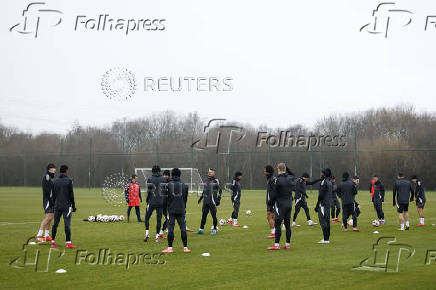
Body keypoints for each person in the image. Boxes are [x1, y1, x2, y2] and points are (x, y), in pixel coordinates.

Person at [162, 168, 190, 253]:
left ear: (172, 175)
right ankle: (185, 248)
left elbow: (165, 199)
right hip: (181, 209)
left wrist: (165, 210)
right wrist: (183, 207)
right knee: (183, 229)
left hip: (171, 210)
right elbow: (185, 198)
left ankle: (170, 248)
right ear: (180, 175)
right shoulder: (185, 185)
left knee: (171, 229)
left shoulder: (168, 185)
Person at [267, 163, 294, 250]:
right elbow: (292, 175)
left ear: (278, 169)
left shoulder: (277, 180)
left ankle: (276, 245)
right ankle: (287, 244)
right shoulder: (290, 178)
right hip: (289, 204)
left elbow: (275, 194)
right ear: (285, 169)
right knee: (287, 225)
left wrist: (270, 203)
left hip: (280, 204)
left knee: (278, 224)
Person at [51, 165, 77, 248]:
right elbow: (71, 195)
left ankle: (53, 242)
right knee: (67, 224)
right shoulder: (69, 181)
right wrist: (73, 206)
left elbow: (53, 196)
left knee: (55, 224)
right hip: (66, 206)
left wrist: (53, 205)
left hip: (57, 205)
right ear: (66, 171)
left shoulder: (54, 181)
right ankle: (68, 243)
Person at [196, 168, 222, 235]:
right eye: (209, 172)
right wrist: (201, 198)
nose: (209, 173)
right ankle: (201, 229)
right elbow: (204, 190)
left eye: (211, 172)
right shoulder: (205, 180)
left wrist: (218, 200)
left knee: (214, 216)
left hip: (212, 202)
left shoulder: (216, 181)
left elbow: (220, 191)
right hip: (205, 201)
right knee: (204, 215)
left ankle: (214, 229)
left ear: (214, 173)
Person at [144, 165, 166, 242]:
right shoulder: (163, 179)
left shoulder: (150, 179)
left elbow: (149, 191)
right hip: (160, 202)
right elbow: (165, 191)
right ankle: (157, 236)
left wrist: (147, 201)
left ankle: (147, 233)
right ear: (159, 170)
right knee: (159, 219)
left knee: (147, 217)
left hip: (152, 201)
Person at [36, 163, 56, 243]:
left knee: (51, 218)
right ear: (50, 169)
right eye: (53, 168)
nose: (55, 169)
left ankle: (47, 235)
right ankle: (39, 235)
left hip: (51, 200)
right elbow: (47, 191)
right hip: (48, 200)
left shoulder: (51, 177)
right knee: (48, 217)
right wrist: (51, 201)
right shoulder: (47, 176)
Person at [315, 168, 333, 244]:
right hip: (328, 204)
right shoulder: (329, 182)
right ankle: (327, 239)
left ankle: (325, 239)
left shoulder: (324, 182)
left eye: (322, 173)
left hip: (323, 204)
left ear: (324, 174)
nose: (321, 174)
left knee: (323, 221)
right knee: (327, 221)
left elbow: (321, 194)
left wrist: (317, 204)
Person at [264, 165, 277, 239]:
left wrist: (271, 201)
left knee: (269, 216)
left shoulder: (271, 180)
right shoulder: (272, 178)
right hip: (272, 201)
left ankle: (273, 233)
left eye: (265, 170)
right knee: (273, 216)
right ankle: (275, 231)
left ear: (268, 172)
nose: (264, 171)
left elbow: (274, 191)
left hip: (271, 202)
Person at [160, 170, 171, 236]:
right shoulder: (161, 181)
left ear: (168, 176)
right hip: (162, 203)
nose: (164, 176)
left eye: (166, 175)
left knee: (169, 218)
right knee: (168, 218)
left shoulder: (170, 182)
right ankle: (162, 231)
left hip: (169, 203)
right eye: (163, 175)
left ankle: (161, 231)